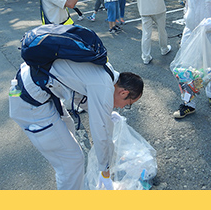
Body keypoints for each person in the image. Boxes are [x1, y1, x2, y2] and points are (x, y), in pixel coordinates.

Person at [9, 59, 144, 190]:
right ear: (124, 92)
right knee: (71, 162)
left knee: (69, 129)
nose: (122, 107)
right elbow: (102, 134)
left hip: (33, 85)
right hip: (30, 104)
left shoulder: (106, 72)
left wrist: (106, 114)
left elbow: (81, 94)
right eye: (128, 104)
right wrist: (105, 170)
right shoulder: (104, 88)